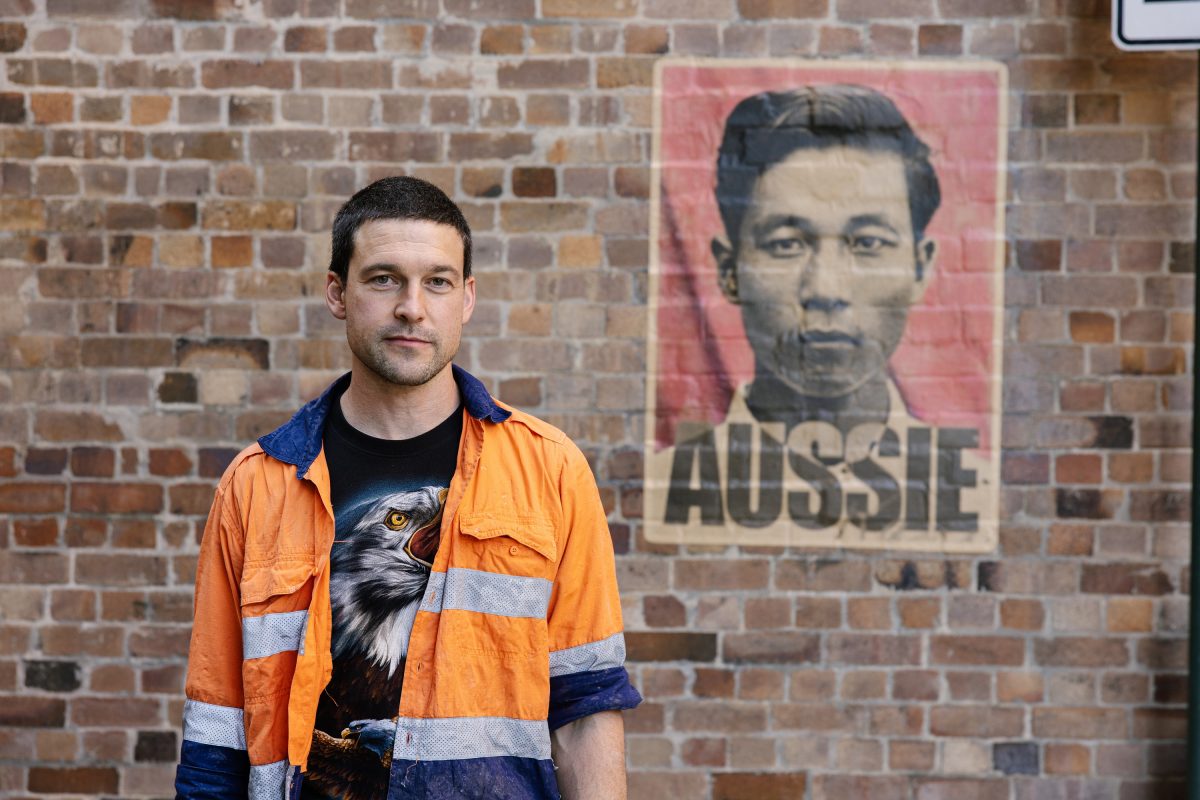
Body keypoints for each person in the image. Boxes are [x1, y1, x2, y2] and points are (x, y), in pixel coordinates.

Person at [175, 176, 641, 800]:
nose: (412, 307)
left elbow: (585, 710)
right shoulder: (256, 486)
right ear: (338, 292)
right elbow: (217, 732)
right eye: (384, 278)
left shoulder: (549, 471)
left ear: (467, 298)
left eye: (438, 282)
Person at [646, 85, 995, 549]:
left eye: (868, 243)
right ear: (730, 272)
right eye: (786, 244)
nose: (825, 290)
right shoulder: (660, 489)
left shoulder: (977, 494)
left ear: (920, 267)